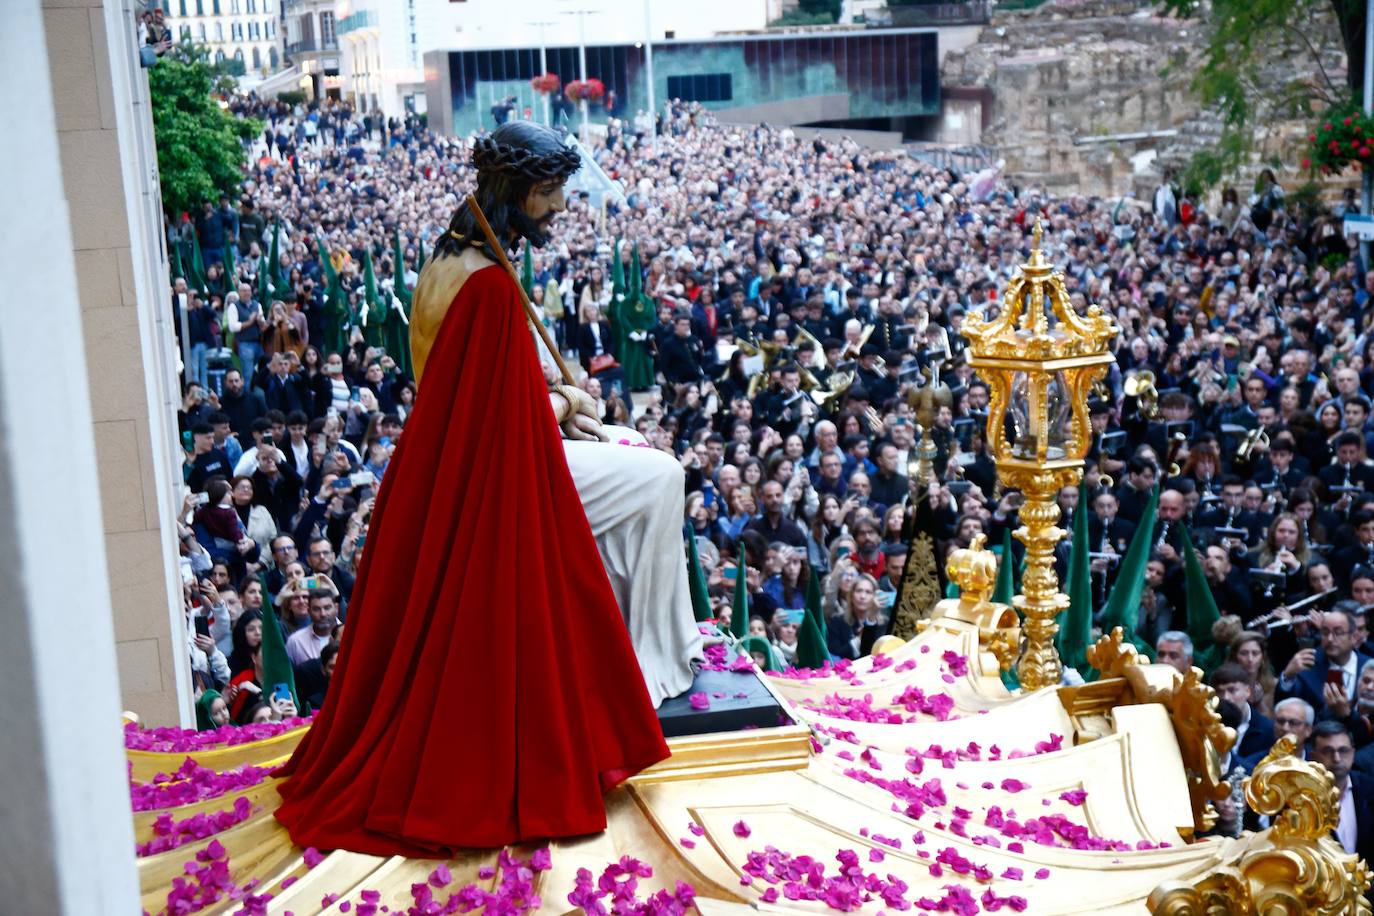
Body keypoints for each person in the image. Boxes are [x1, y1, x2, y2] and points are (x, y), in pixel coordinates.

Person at [274, 121, 699, 858]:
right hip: (491, 474)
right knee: (660, 475)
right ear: (524, 190)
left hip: (446, 466)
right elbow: (513, 420)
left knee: (637, 459)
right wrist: (574, 406)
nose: (563, 205)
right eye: (554, 192)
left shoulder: (454, 252)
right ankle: (657, 664)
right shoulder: (492, 288)